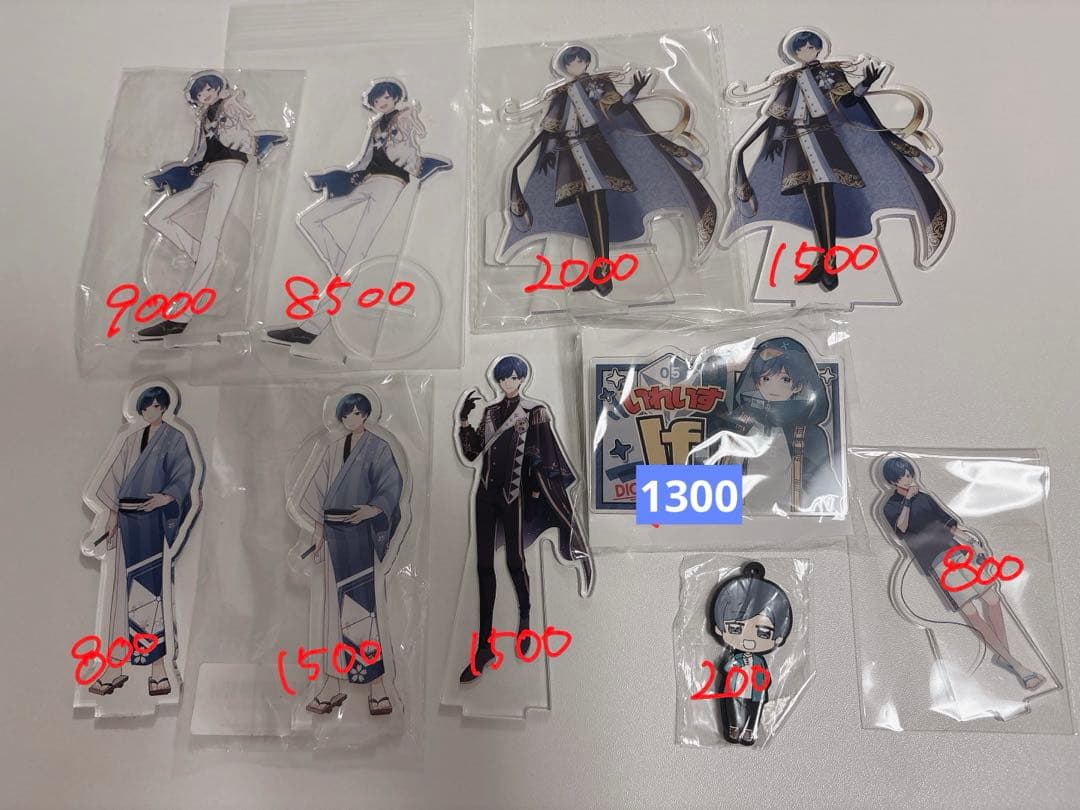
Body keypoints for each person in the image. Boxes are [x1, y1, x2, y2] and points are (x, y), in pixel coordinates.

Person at [725, 29, 950, 291]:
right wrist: (770, 140)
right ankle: (824, 261)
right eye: (801, 49)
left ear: (818, 49)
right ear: (795, 53)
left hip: (823, 141)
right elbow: (778, 116)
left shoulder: (831, 74)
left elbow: (850, 102)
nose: (806, 52)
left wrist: (865, 84)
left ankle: (829, 263)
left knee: (823, 193)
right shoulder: (790, 81)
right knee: (813, 197)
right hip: (797, 145)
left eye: (811, 48)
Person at [500, 44, 718, 296]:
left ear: (587, 62)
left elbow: (616, 110)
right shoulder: (560, 94)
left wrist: (633, 92)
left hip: (595, 151)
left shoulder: (600, 84)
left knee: (596, 206)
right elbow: (552, 128)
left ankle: (603, 274)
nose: (576, 65)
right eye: (571, 62)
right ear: (565, 67)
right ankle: (600, 272)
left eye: (580, 60)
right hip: (569, 156)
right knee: (588, 212)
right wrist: (547, 151)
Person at [265, 79, 451, 347]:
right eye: (377, 100)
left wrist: (411, 118)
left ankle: (311, 328)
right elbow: (364, 160)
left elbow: (412, 134)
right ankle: (349, 274)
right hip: (367, 179)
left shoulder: (402, 118)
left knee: (358, 248)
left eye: (386, 97)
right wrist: (343, 178)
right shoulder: (375, 125)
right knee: (310, 219)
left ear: (396, 98)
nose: (381, 102)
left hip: (392, 182)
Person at [455, 355, 593, 683]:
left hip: (514, 494)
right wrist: (463, 421)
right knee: (483, 567)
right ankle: (484, 645)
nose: (508, 383)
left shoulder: (534, 412)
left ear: (522, 379)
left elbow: (545, 455)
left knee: (515, 562)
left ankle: (525, 623)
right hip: (485, 494)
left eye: (514, 378)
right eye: (504, 378)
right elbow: (473, 453)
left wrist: (534, 489)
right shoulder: (490, 412)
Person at [138, 71, 285, 340]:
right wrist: (182, 171)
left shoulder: (226, 105)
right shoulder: (204, 117)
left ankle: (181, 317)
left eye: (208, 89)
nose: (205, 95)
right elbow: (200, 151)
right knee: (158, 216)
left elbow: (240, 112)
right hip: (208, 170)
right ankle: (205, 257)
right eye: (200, 92)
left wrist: (232, 101)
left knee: (212, 233)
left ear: (218, 89)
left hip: (230, 166)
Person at [880, 456, 1045, 691]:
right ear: (892, 481)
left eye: (909, 474)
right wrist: (906, 500)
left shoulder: (925, 497)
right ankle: (1017, 666)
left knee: (993, 599)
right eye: (902, 476)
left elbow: (951, 526)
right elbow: (902, 529)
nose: (908, 478)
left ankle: (1004, 656)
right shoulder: (890, 506)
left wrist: (974, 543)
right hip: (937, 563)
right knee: (971, 612)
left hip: (958, 553)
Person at [295, 393, 404, 716]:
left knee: (362, 608)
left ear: (366, 415)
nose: (352, 419)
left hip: (359, 534)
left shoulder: (378, 447)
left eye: (357, 413)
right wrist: (318, 532)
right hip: (334, 535)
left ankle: (377, 685)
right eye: (346, 415)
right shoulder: (332, 449)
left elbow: (390, 486)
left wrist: (374, 509)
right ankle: (332, 683)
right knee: (332, 610)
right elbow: (317, 493)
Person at [89, 386, 197, 697]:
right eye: (147, 407)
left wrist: (167, 497)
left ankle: (158, 668)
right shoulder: (130, 439)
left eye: (157, 406)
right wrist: (110, 517)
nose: (152, 411)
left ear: (165, 408)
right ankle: (114, 665)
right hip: (126, 522)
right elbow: (113, 481)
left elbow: (184, 475)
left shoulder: (175, 438)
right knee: (117, 594)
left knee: (151, 593)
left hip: (152, 522)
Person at [718, 337, 841, 513]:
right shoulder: (742, 424)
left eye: (785, 379)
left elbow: (822, 483)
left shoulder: (808, 434)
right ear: (757, 382)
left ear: (798, 386)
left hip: (793, 514)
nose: (773, 387)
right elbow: (726, 468)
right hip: (739, 511)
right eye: (766, 378)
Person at [709, 561, 792, 745]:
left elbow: (766, 677)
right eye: (736, 629)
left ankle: (749, 730)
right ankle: (734, 727)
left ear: (778, 638)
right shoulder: (735, 657)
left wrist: (762, 681)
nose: (749, 640)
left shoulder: (759, 660)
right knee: (732, 704)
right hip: (735, 688)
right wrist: (736, 663)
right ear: (719, 629)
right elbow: (726, 668)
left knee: (755, 707)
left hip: (755, 691)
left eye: (763, 633)